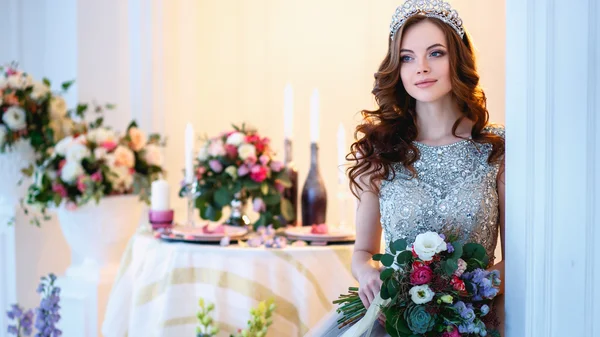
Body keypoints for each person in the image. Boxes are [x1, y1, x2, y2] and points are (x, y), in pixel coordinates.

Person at [307, 0, 505, 336]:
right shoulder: (380, 151)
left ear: (458, 58)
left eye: (436, 53)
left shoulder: (495, 149)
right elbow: (363, 252)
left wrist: (463, 294)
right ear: (396, 69)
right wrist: (367, 273)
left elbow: (518, 262)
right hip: (392, 321)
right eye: (407, 57)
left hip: (475, 321)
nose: (421, 68)